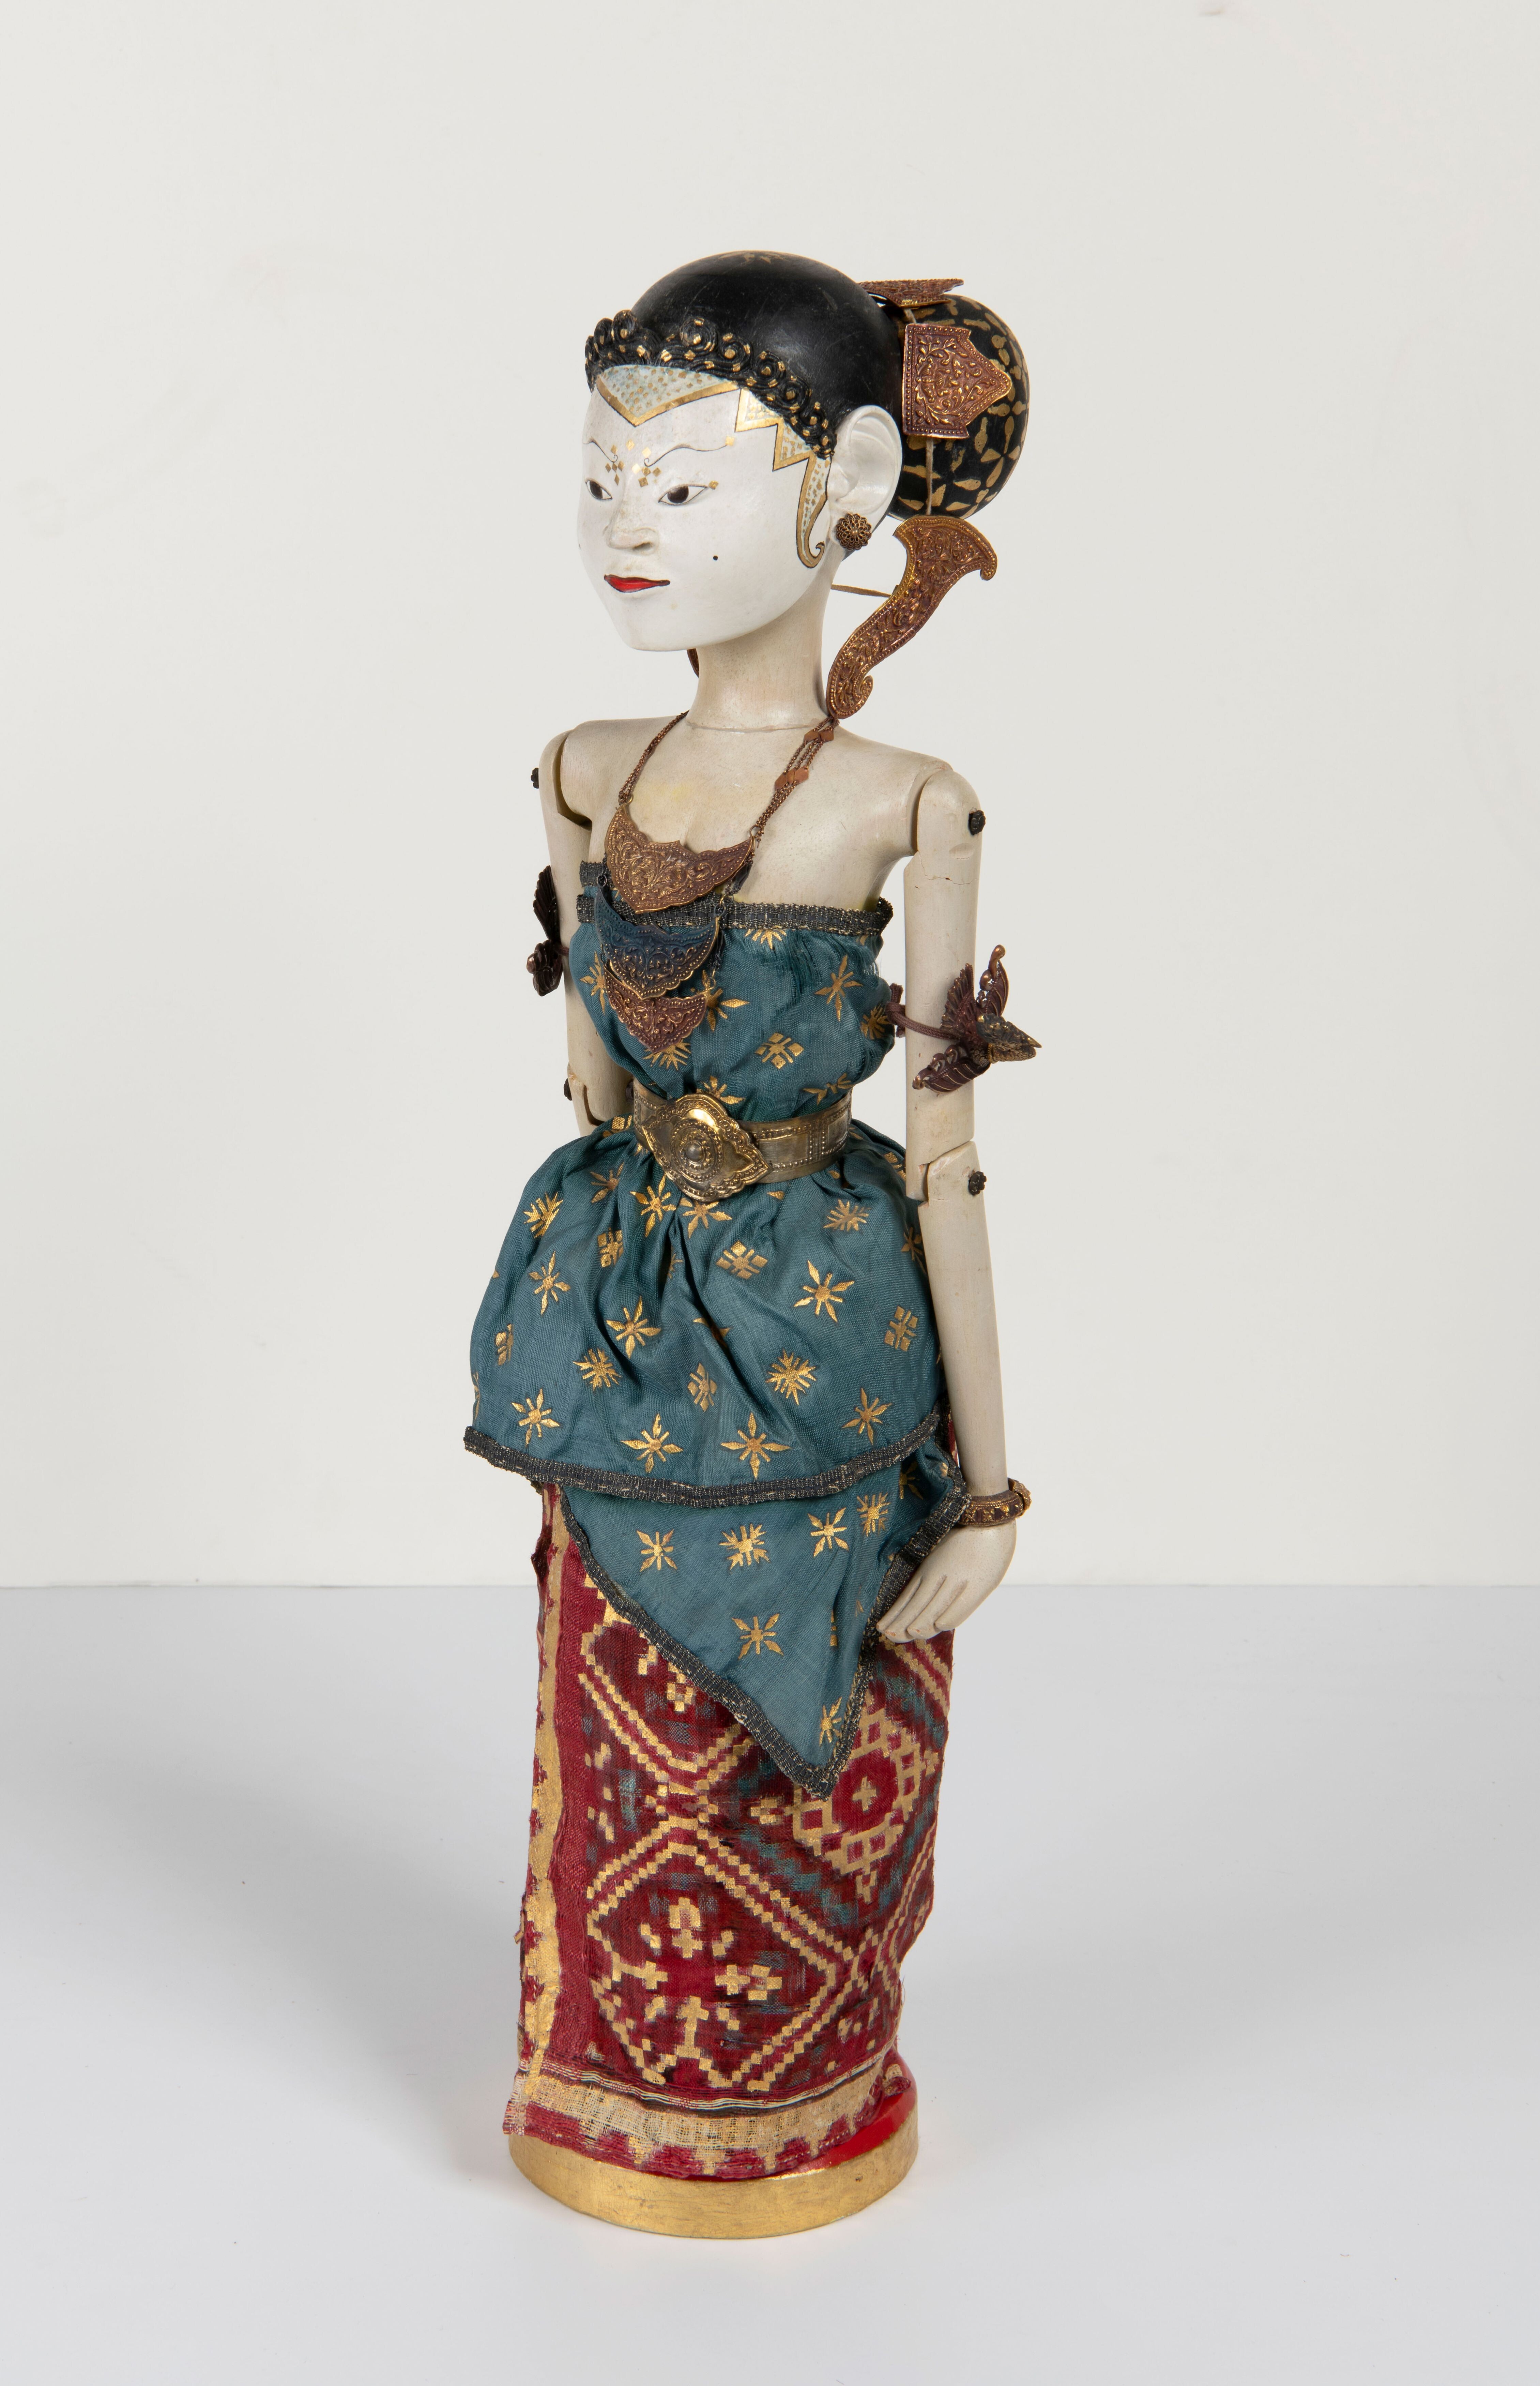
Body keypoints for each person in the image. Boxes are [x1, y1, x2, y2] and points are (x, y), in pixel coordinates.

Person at [468, 252, 1034, 2235]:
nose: (626, 523)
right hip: (626, 1334)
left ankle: (800, 2096)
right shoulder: (579, 771)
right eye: (601, 479)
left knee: (822, 1741)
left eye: (687, 483)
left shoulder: (909, 802)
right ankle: (608, 2088)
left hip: (826, 1335)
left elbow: (949, 1157)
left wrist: (990, 1486)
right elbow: (592, 1092)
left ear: (852, 487)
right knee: (614, 1721)